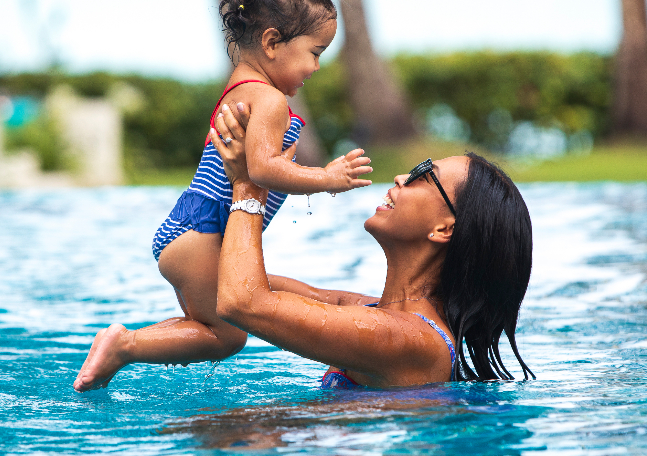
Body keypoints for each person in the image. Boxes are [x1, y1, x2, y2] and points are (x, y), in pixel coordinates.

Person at [73, 0, 372, 392]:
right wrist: (324, 177)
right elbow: (262, 170)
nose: (317, 66)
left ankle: (120, 346)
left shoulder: (240, 85)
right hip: (204, 233)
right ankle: (124, 346)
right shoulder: (268, 100)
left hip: (192, 227)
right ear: (272, 42)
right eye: (315, 52)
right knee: (228, 335)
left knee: (216, 318)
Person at [207, 103, 535, 388]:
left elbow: (242, 302)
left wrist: (248, 189)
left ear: (444, 228)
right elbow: (221, 285)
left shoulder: (408, 340)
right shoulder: (375, 313)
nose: (401, 178)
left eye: (423, 174)